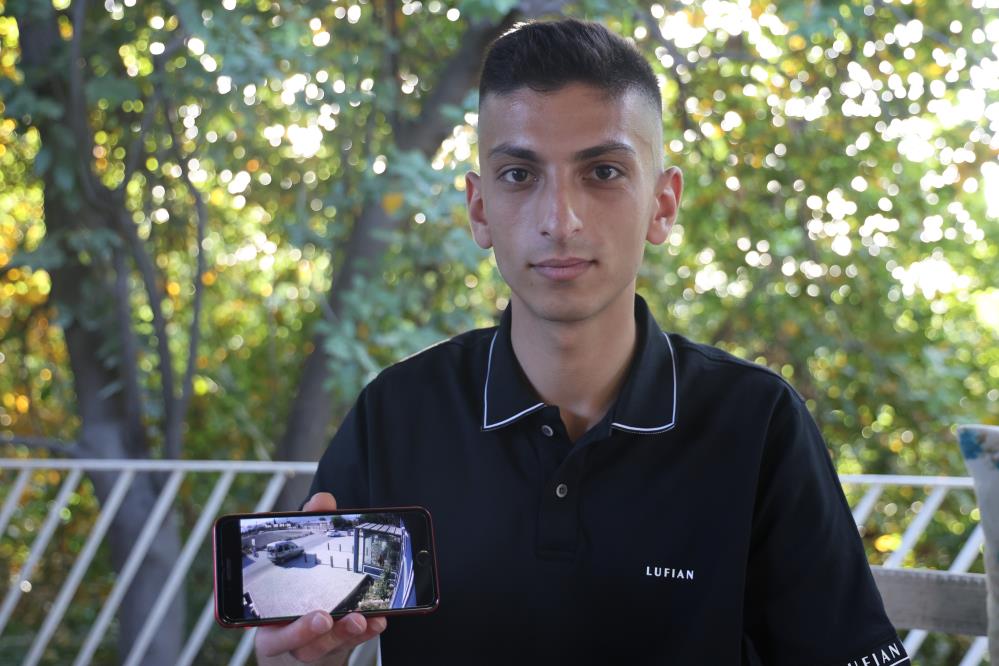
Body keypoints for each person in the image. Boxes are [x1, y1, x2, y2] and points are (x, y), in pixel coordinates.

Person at [257, 18, 908, 666]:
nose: (558, 220)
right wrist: (301, 658)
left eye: (602, 171)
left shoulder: (755, 422)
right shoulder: (398, 414)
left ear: (662, 205)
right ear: (479, 209)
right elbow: (302, 642)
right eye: (519, 174)